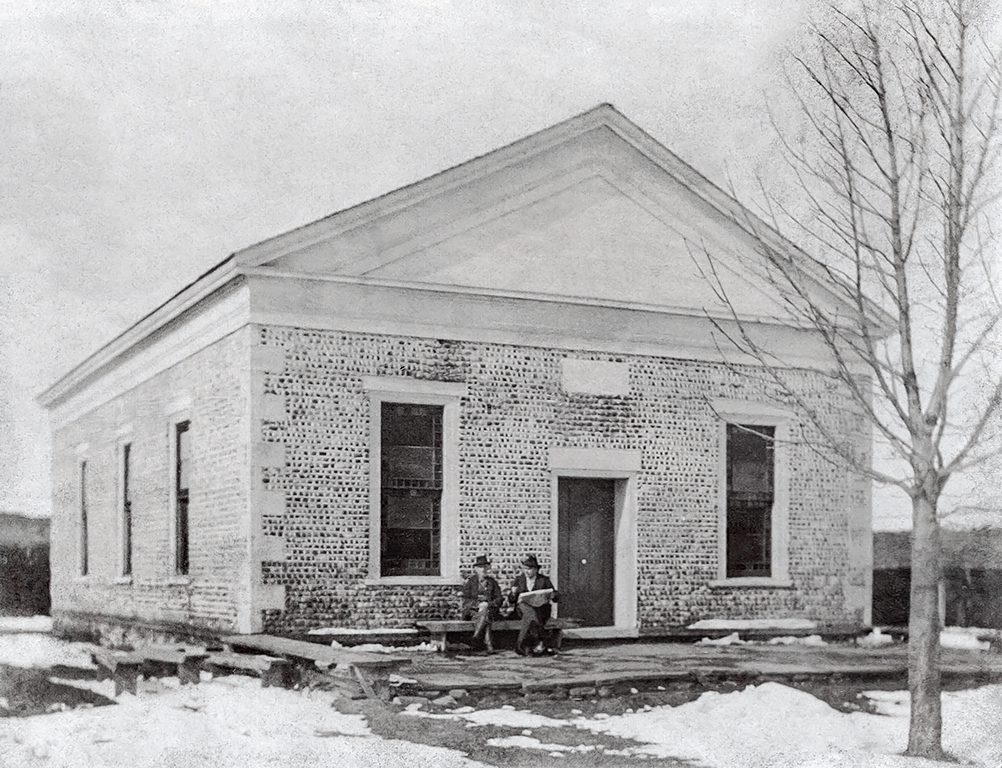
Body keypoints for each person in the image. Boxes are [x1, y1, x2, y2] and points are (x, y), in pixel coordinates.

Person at [507, 554, 560, 656]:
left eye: (529, 569)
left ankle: (521, 646)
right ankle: (540, 642)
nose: (526, 571)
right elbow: (512, 601)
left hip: (540, 610)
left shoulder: (543, 580)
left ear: (536, 570)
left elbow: (556, 598)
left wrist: (553, 595)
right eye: (525, 569)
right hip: (522, 610)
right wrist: (513, 593)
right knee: (528, 611)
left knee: (530, 616)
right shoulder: (519, 580)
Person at [460, 555, 503, 653]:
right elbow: (466, 599)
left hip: (489, 610)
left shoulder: (492, 582)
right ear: (475, 569)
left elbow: (500, 599)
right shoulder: (471, 582)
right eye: (480, 567)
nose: (483, 569)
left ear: (488, 568)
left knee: (486, 613)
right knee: (485, 615)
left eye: (485, 567)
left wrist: (488, 604)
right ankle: (488, 644)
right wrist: (477, 605)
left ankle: (476, 637)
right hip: (473, 612)